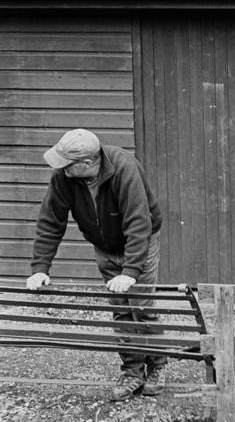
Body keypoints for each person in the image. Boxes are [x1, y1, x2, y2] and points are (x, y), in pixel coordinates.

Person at [27, 128, 167, 403]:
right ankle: (132, 371)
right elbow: (50, 220)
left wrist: (130, 271)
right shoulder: (65, 176)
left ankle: (157, 365)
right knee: (120, 309)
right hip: (104, 246)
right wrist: (40, 267)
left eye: (67, 164)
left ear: (88, 162)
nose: (61, 168)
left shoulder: (124, 168)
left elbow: (138, 222)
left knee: (142, 306)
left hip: (141, 241)